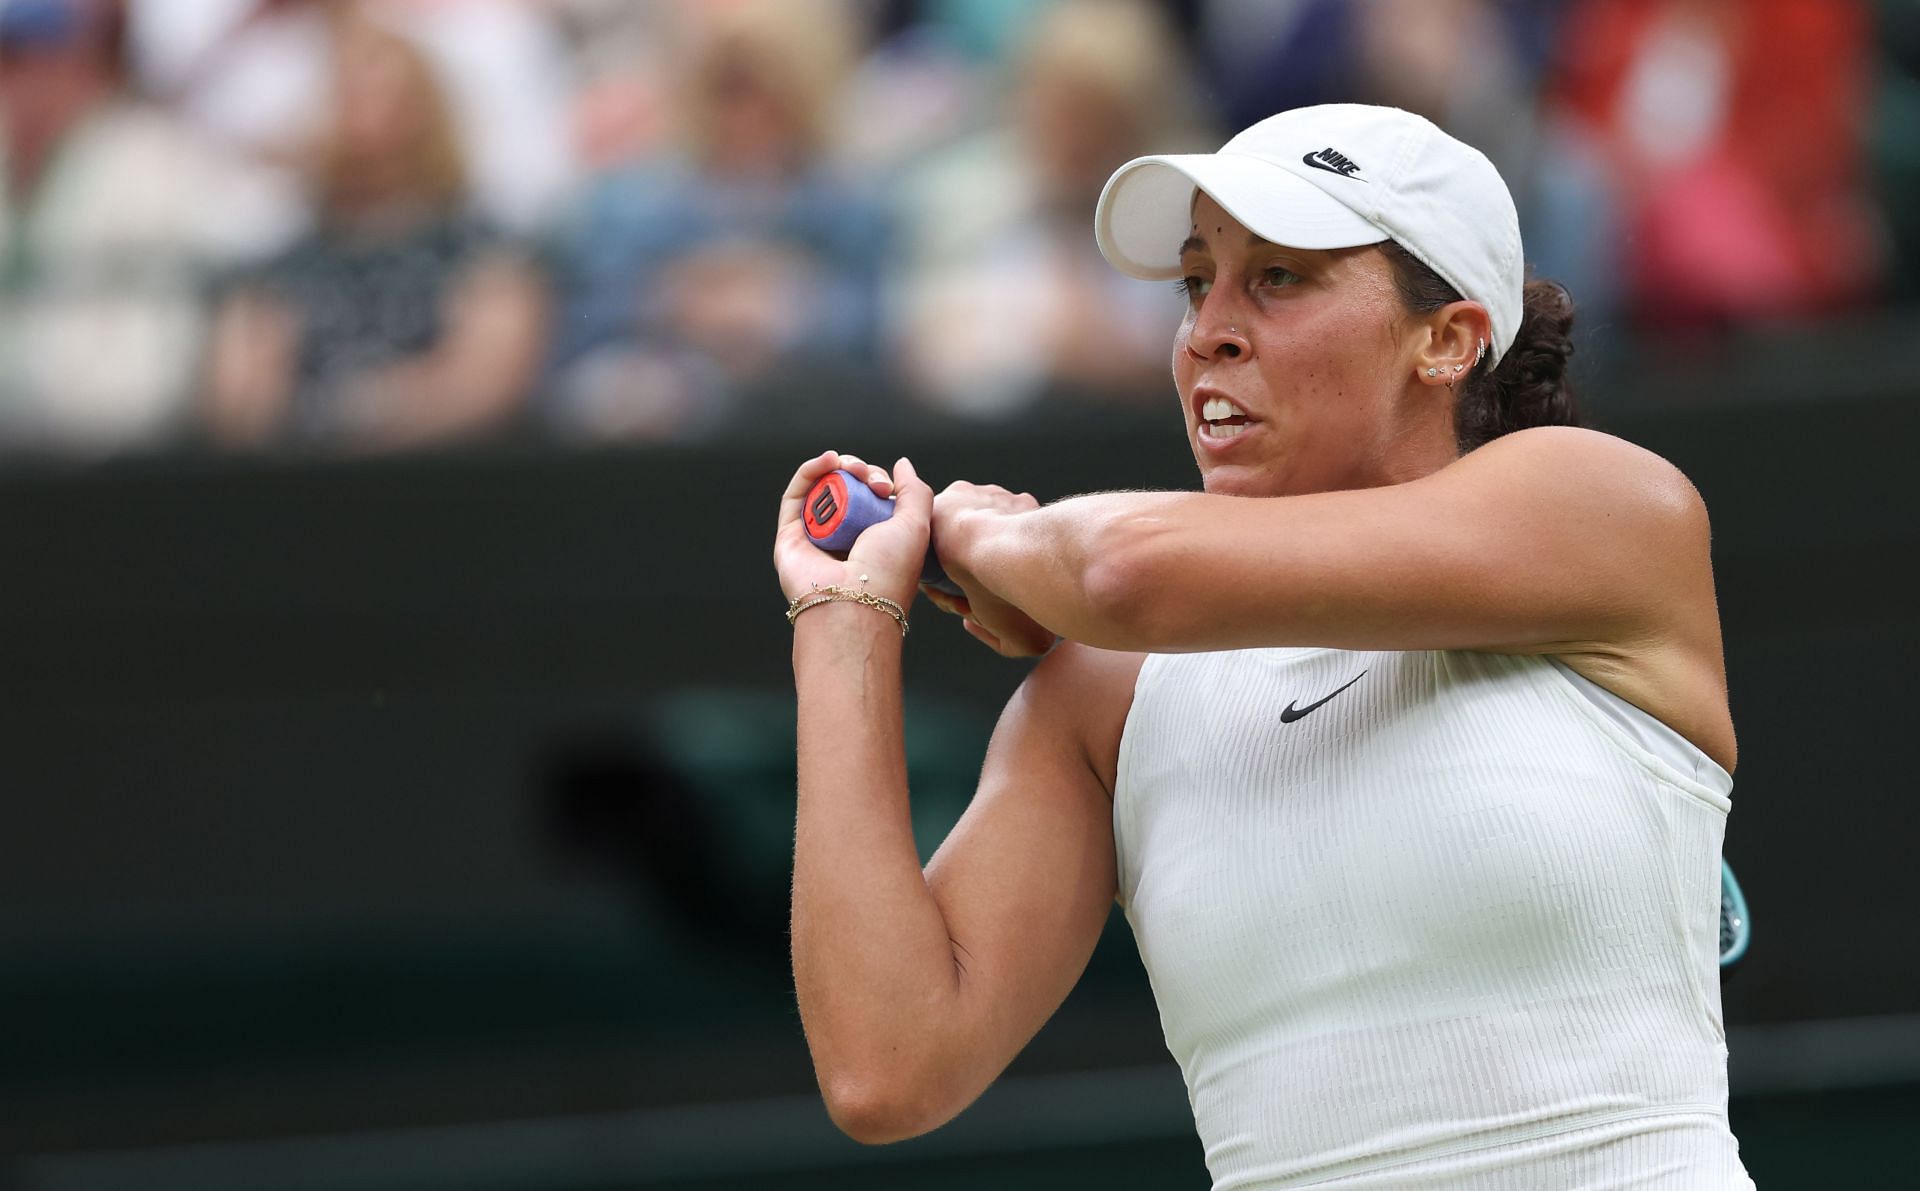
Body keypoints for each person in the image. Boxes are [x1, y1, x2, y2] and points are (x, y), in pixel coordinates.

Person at [772, 104, 1753, 1187]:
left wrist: (978, 536)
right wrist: (845, 615)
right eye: (1199, 282)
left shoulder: (1600, 506)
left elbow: (1120, 571)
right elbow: (888, 1066)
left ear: (1448, 339)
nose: (1207, 332)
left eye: (1279, 278)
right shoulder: (1104, 685)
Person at [199, 8, 545, 452]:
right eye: (347, 97)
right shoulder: (276, 272)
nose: (362, 121)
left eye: (384, 98)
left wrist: (369, 409)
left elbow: (487, 383)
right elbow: (237, 408)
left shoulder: (487, 253)